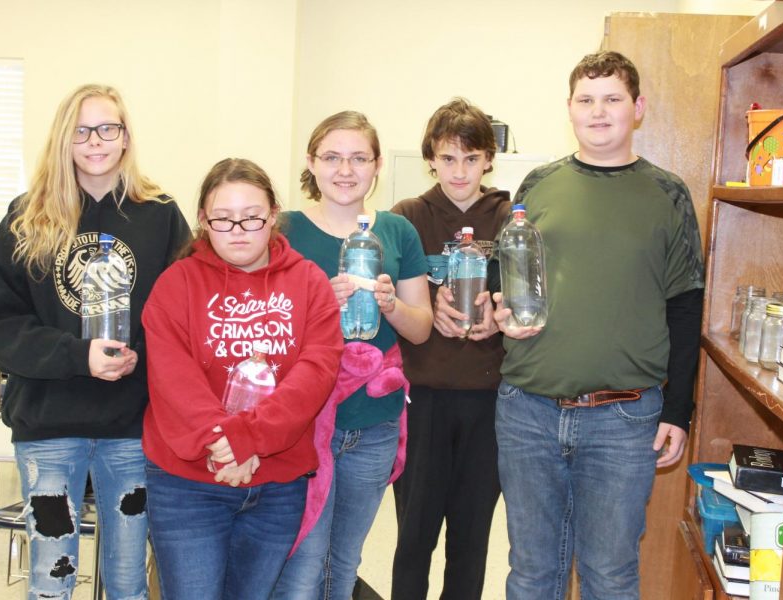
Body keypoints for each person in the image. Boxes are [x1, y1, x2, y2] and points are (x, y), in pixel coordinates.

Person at [489, 51, 705, 599]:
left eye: (613, 99)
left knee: (610, 575)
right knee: (532, 572)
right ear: (570, 108)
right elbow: (504, 280)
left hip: (625, 421)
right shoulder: (537, 185)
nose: (599, 111)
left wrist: (679, 408)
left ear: (638, 108)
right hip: (527, 412)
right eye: (586, 100)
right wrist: (499, 314)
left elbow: (685, 307)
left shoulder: (668, 195)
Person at [0, 83, 192, 600]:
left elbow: (183, 311)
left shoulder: (160, 214)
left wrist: (139, 353)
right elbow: (1, 322)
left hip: (133, 429)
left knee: (127, 582)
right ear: (63, 139)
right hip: (49, 427)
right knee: (52, 580)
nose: (95, 141)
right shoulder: (26, 217)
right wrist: (79, 356)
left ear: (125, 138)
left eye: (107, 128)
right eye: (81, 130)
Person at [140, 158, 344, 599]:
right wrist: (229, 443)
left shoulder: (309, 283)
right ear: (203, 221)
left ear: (273, 216)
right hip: (189, 485)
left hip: (276, 486)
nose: (238, 230)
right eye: (223, 219)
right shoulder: (176, 285)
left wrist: (249, 438)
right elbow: (174, 380)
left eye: (252, 217)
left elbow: (316, 372)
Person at [273, 111, 433, 600]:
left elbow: (422, 328)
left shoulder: (398, 232)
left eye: (359, 158)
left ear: (377, 164)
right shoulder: (283, 231)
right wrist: (320, 302)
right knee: (302, 560)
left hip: (373, 425)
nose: (346, 170)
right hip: (303, 423)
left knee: (343, 562)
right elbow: (264, 328)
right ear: (311, 163)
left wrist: (390, 306)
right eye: (333, 157)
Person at [389, 98, 509, 600]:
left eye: (472, 157)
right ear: (431, 160)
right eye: (447, 158)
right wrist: (420, 305)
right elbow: (385, 307)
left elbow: (530, 303)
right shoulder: (406, 218)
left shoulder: (512, 220)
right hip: (423, 398)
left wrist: (497, 321)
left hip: (491, 400)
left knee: (471, 538)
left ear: (488, 160)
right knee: (414, 537)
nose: (459, 171)